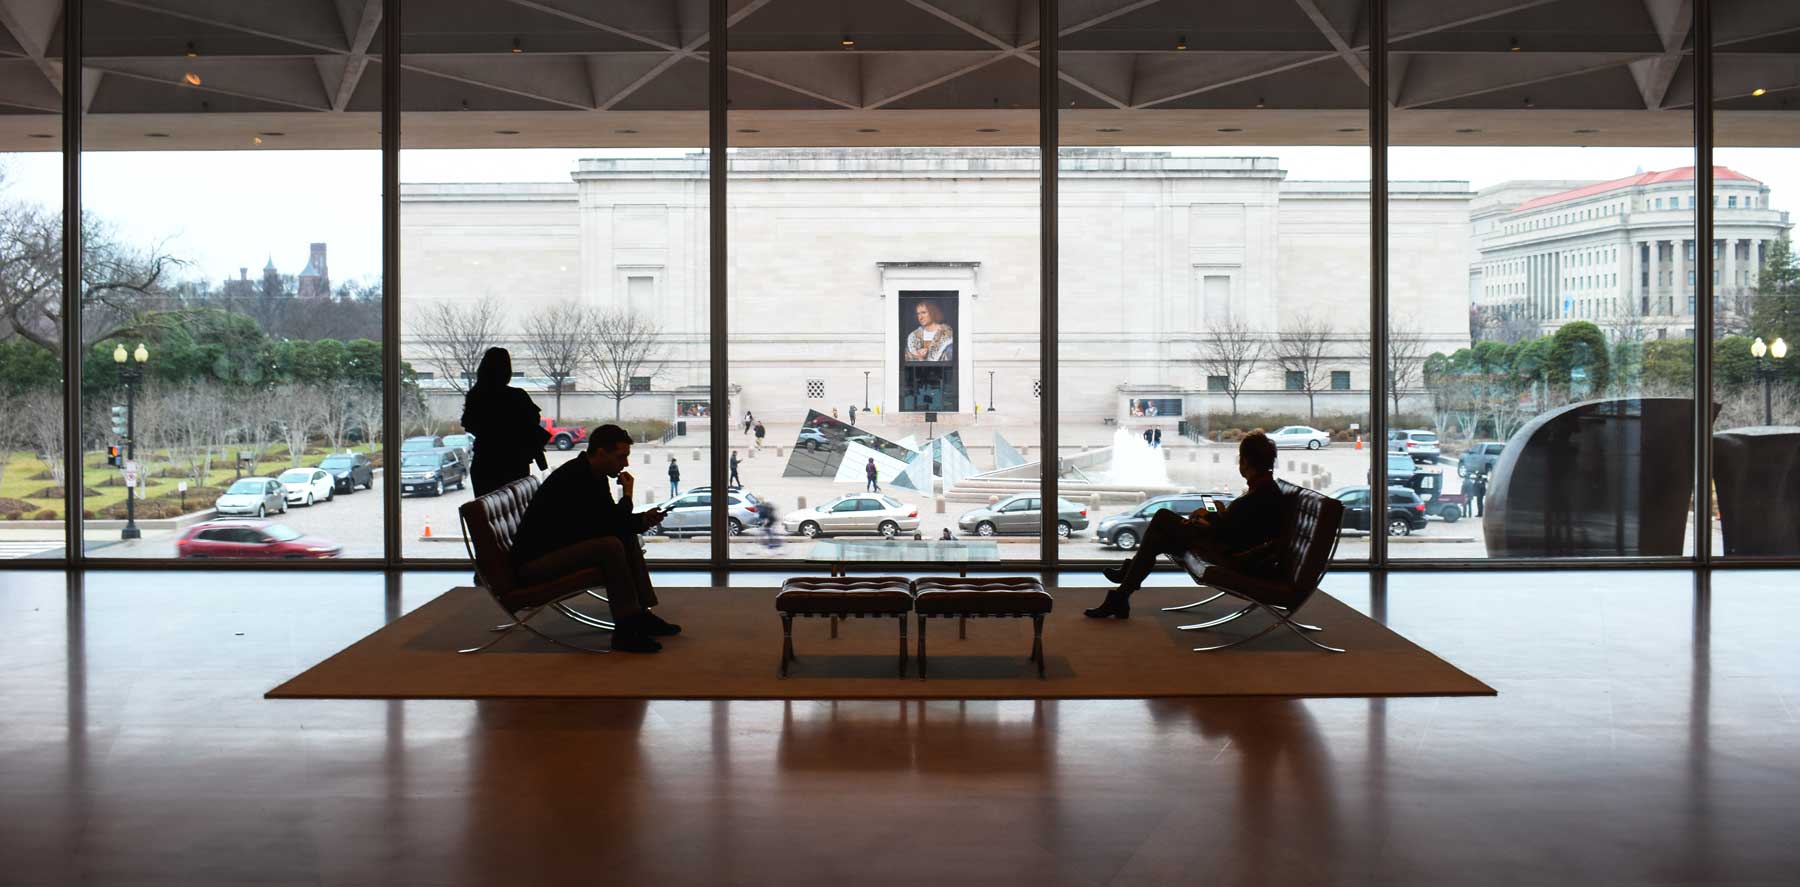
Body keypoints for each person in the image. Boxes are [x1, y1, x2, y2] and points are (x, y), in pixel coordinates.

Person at [509, 425, 677, 653]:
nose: (625, 464)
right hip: (535, 565)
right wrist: (627, 496)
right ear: (600, 453)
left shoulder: (591, 474)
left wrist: (642, 520)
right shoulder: (577, 478)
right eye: (621, 457)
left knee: (623, 537)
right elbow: (609, 524)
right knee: (610, 546)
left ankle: (639, 614)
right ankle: (627, 630)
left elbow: (610, 521)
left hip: (557, 549)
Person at [1087, 432, 1287, 619]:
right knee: (1157, 538)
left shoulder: (1259, 495)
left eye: (1240, 459)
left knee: (1162, 517)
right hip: (1227, 547)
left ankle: (1125, 580)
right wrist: (1213, 516)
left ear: (1246, 461)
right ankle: (1121, 595)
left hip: (1228, 556)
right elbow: (1239, 527)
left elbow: (1228, 533)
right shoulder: (1265, 490)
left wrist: (1205, 521)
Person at [459, 347, 550, 497]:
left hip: (485, 463)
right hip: (514, 462)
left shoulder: (475, 396)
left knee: (486, 512)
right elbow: (532, 424)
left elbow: (469, 425)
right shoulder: (518, 396)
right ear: (507, 370)